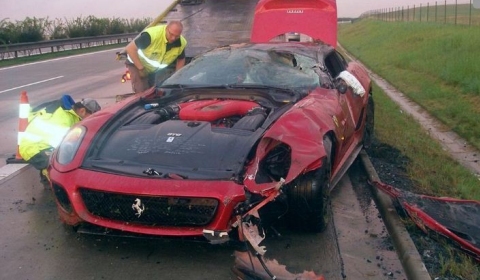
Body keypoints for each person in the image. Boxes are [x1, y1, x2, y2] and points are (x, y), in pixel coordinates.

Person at [19, 95, 101, 186]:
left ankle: (46, 176)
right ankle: (52, 183)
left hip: (40, 144)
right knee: (59, 166)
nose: (91, 120)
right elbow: (65, 146)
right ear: (82, 111)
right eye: (91, 117)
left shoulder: (69, 113)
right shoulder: (64, 119)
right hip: (34, 149)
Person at [125, 20, 187, 93]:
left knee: (155, 91)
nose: (173, 38)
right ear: (166, 29)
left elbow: (181, 59)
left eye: (177, 36)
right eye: (171, 34)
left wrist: (177, 75)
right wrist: (141, 69)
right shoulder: (151, 35)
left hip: (153, 69)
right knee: (142, 91)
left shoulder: (181, 43)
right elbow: (130, 49)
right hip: (136, 63)